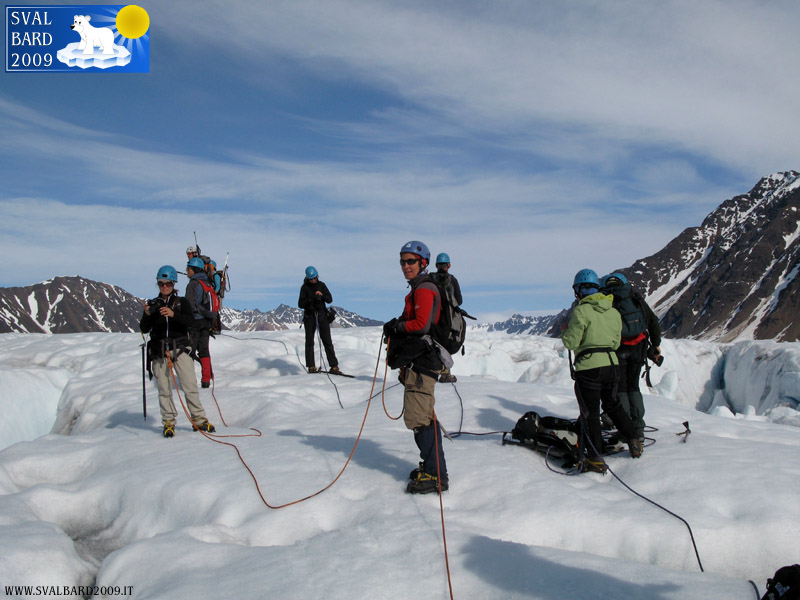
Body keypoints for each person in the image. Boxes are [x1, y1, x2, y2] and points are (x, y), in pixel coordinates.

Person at [561, 268, 643, 473]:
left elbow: (571, 342)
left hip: (589, 367)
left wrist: (566, 332)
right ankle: (633, 438)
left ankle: (595, 457)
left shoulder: (581, 311)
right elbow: (616, 342)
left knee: (590, 414)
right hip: (612, 364)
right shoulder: (613, 311)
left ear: (579, 290)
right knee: (613, 404)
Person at [383, 241, 449, 494]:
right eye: (402, 261)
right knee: (423, 416)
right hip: (420, 362)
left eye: (411, 261)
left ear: (423, 263)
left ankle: (435, 475)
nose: (405, 266)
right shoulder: (419, 289)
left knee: (420, 418)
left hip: (423, 363)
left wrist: (396, 328)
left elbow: (421, 325)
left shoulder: (423, 289)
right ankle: (432, 467)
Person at [140, 265, 215, 437]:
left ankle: (199, 420)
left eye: (168, 283)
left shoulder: (182, 303)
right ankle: (168, 421)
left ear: (173, 284)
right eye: (161, 283)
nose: (165, 286)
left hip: (180, 348)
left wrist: (174, 315)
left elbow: (191, 323)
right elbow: (144, 329)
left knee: (189, 385)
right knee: (164, 389)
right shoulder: (153, 306)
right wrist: (147, 315)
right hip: (160, 350)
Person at [601, 272, 662, 442]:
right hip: (639, 347)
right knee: (633, 387)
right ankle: (638, 426)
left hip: (619, 348)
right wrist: (656, 345)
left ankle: (625, 428)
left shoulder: (607, 299)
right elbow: (652, 321)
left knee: (620, 388)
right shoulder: (634, 296)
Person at [298, 266, 340, 374]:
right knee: (309, 342)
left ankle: (334, 366)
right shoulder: (304, 288)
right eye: (311, 279)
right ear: (307, 278)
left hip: (322, 316)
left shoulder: (322, 285)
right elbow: (300, 304)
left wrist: (321, 296)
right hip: (310, 317)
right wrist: (311, 298)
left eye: (314, 278)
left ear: (317, 276)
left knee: (327, 341)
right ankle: (311, 366)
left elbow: (330, 299)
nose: (313, 280)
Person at [185, 257, 217, 388]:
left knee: (189, 351)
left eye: (188, 269)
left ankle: (190, 381)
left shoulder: (192, 284)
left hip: (195, 322)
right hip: (206, 322)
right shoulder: (207, 283)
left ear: (194, 269)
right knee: (204, 350)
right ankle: (206, 379)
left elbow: (189, 305)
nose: (187, 271)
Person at [432, 252, 462, 383]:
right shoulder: (453, 280)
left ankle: (431, 371)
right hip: (448, 317)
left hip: (432, 315)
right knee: (446, 342)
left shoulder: (430, 278)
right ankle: (445, 373)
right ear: (449, 265)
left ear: (436, 265)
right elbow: (459, 301)